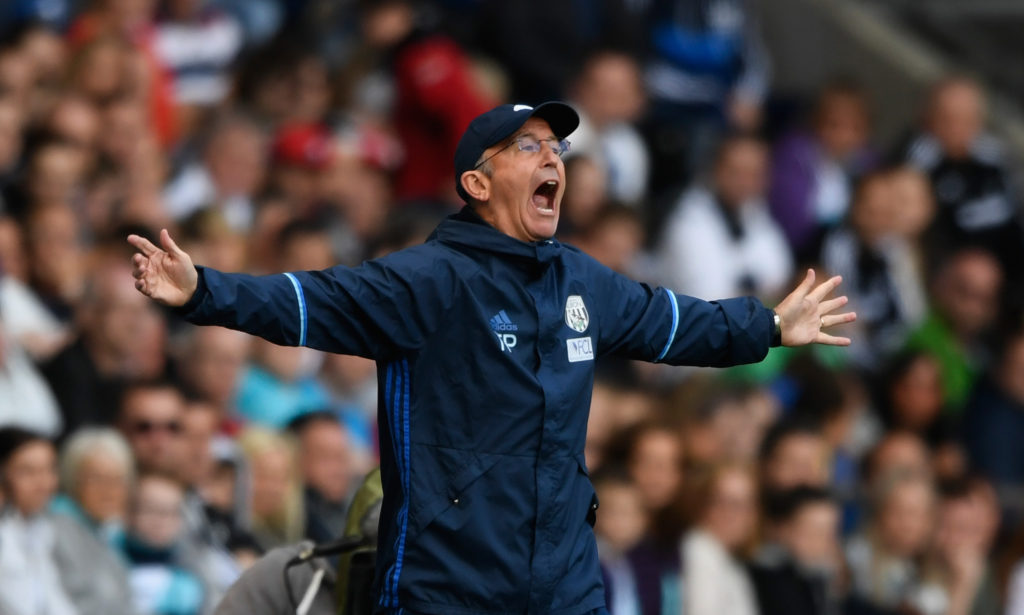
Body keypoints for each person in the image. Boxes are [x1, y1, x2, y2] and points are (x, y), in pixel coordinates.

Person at [129, 101, 855, 614]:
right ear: (477, 183)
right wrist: (202, 290)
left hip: (565, 587)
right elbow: (306, 302)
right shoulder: (429, 278)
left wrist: (765, 325)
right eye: (529, 147)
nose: (554, 161)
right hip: (447, 588)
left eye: (558, 149)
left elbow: (670, 321)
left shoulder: (581, 278)